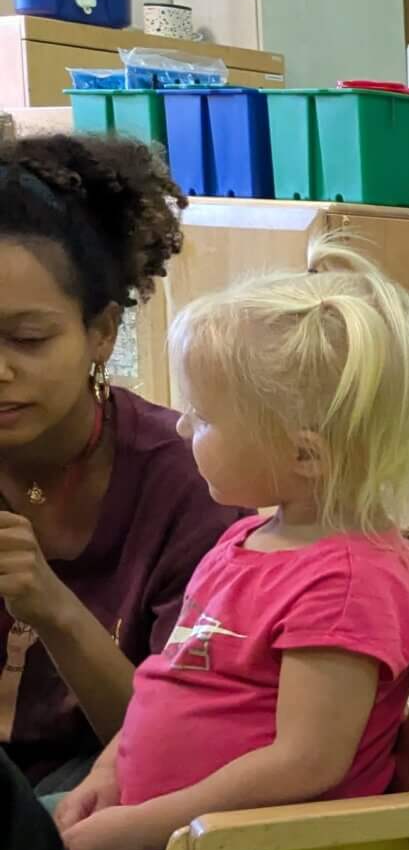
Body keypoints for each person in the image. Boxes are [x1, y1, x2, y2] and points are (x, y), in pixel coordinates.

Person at [48, 256, 409, 850]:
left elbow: (303, 765)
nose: (182, 427)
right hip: (154, 827)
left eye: (205, 417)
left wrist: (137, 828)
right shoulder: (245, 540)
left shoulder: (347, 581)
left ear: (304, 454)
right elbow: (166, 683)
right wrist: (108, 776)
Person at [1, 132, 243, 791]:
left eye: (28, 339)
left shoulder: (189, 483)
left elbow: (185, 751)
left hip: (116, 798)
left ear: (102, 333)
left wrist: (50, 605)